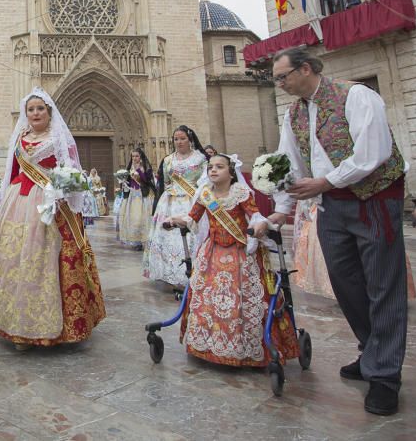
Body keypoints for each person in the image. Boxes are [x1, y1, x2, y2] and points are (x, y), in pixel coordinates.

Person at [254, 46, 408, 415]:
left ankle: (385, 375)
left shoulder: (356, 96)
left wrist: (325, 182)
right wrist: (281, 211)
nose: (279, 83)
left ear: (305, 69)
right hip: (333, 206)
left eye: (282, 76)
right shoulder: (293, 114)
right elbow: (287, 163)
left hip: (373, 200)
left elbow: (374, 153)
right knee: (346, 282)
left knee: (383, 284)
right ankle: (373, 350)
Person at [0, 89, 106, 348]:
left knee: (48, 258)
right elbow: (12, 172)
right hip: (20, 200)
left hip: (52, 202)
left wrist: (66, 190)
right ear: (26, 114)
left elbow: (71, 170)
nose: (35, 113)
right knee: (17, 257)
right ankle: (18, 324)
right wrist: (2, 200)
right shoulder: (20, 136)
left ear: (49, 112)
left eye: (40, 108)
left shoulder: (60, 137)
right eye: (31, 109)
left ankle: (60, 327)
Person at [166, 154, 299, 367]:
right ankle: (208, 346)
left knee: (242, 301)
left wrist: (258, 226)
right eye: (210, 167)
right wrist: (173, 220)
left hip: (240, 254)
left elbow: (254, 215)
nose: (213, 170)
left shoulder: (240, 193)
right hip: (213, 252)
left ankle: (246, 348)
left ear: (231, 172)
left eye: (219, 166)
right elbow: (192, 218)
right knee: (209, 298)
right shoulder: (205, 195)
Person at [144, 126, 207, 293]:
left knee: (190, 237)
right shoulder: (168, 160)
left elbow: (205, 182)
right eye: (176, 139)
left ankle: (192, 273)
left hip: (191, 202)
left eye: (182, 138)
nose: (179, 142)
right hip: (169, 203)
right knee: (168, 238)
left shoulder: (200, 159)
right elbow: (165, 182)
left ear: (190, 139)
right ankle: (171, 273)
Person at [116, 148, 155, 249]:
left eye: (136, 156)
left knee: (141, 218)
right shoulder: (129, 168)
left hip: (143, 196)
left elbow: (147, 180)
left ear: (141, 156)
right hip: (133, 196)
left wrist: (138, 172)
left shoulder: (145, 167)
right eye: (133, 156)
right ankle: (136, 241)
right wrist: (123, 182)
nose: (134, 158)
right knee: (133, 218)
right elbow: (128, 181)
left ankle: (144, 239)